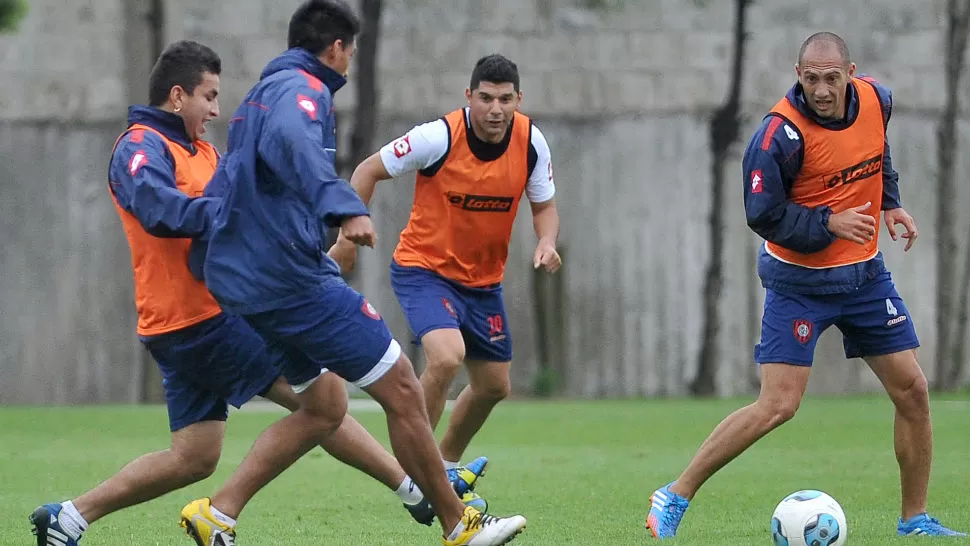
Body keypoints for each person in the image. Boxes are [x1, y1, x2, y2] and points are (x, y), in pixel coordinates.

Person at [27, 39, 467, 546]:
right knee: (324, 402)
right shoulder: (140, 146)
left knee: (194, 456)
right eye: (209, 97)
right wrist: (228, 217)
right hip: (200, 320)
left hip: (187, 322)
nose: (216, 110)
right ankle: (408, 488)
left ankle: (69, 517)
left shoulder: (208, 153)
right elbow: (156, 206)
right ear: (177, 96)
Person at [183, 2, 527, 545]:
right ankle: (459, 525)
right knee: (402, 389)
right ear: (338, 48)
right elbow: (295, 145)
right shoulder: (302, 90)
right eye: (352, 50)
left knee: (323, 407)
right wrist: (343, 206)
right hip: (289, 279)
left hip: (245, 281)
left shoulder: (260, 94)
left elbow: (232, 179)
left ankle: (218, 513)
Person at [644, 32, 965, 539]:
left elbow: (877, 153)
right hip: (799, 283)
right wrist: (828, 223)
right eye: (811, 78)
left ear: (851, 73)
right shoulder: (778, 137)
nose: (820, 89)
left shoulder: (877, 100)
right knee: (778, 406)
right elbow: (762, 214)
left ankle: (914, 520)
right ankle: (675, 494)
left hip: (864, 277)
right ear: (799, 75)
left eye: (831, 78)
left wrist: (891, 202)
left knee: (913, 391)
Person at [330, 53, 561, 476]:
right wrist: (346, 236)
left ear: (518, 99)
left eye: (506, 100)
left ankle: (446, 461)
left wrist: (546, 241)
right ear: (469, 96)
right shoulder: (437, 137)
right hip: (424, 270)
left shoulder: (531, 142)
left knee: (494, 387)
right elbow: (366, 171)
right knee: (447, 357)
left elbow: (544, 206)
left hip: (483, 284)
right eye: (486, 98)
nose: (496, 109)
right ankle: (415, 468)